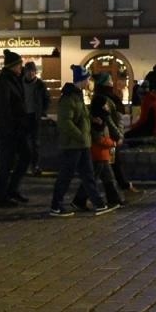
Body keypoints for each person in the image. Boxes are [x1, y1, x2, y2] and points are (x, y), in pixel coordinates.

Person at [51, 65, 113, 217]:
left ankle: (98, 204)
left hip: (83, 143)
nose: (89, 82)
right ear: (81, 80)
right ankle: (56, 206)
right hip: (73, 145)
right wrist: (80, 135)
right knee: (66, 175)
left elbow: (81, 117)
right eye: (87, 79)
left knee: (88, 175)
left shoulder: (78, 96)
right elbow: (65, 122)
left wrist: (92, 120)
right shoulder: (69, 98)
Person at [0, 51, 31, 206]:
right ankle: (1, 196)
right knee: (6, 163)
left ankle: (12, 189)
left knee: (26, 156)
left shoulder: (15, 79)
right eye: (19, 64)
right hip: (9, 129)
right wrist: (10, 126)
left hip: (18, 128)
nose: (21, 67)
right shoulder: (3, 82)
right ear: (13, 66)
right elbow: (3, 108)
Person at [89, 71, 137, 194]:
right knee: (108, 165)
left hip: (108, 136)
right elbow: (110, 119)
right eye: (109, 80)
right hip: (108, 137)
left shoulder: (103, 97)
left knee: (108, 166)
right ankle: (85, 197)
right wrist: (118, 135)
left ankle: (115, 193)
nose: (112, 82)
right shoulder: (105, 99)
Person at [23, 61, 49, 175]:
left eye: (32, 71)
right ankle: (23, 165)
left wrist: (43, 112)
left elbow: (46, 99)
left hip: (35, 116)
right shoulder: (20, 83)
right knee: (23, 142)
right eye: (28, 71)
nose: (30, 74)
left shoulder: (40, 84)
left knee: (35, 142)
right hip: (23, 116)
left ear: (35, 72)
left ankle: (35, 165)